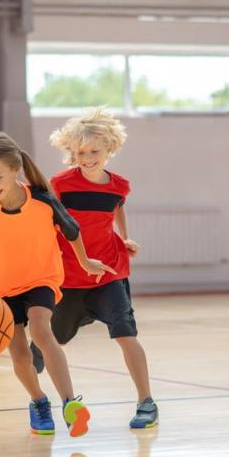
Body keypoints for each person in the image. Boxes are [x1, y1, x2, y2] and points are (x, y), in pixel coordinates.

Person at [0, 131, 115, 437]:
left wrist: (85, 261)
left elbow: (72, 231)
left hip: (41, 279)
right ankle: (38, 402)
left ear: (15, 169)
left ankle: (69, 403)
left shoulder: (42, 201)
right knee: (20, 355)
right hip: (0, 289)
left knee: (41, 329)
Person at [30, 107, 158, 429]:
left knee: (126, 334)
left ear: (109, 149)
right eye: (81, 152)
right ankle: (39, 383)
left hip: (109, 272)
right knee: (49, 343)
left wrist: (126, 237)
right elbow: (47, 223)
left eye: (94, 151)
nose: (87, 158)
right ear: (72, 153)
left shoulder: (119, 186)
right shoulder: (60, 185)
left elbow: (117, 210)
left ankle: (146, 402)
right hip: (69, 277)